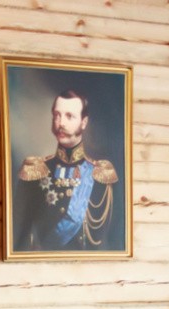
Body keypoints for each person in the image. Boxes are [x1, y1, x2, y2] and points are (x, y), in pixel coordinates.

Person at [13, 89, 120, 252]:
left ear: (84, 122)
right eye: (57, 115)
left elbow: (113, 239)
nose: (61, 122)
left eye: (69, 116)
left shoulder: (102, 174)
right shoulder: (34, 171)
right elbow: (19, 235)